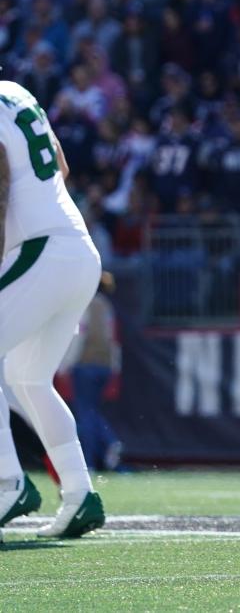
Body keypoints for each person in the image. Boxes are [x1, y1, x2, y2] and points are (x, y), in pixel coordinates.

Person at [0, 80, 106, 538]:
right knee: (27, 376)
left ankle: (8, 483)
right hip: (78, 248)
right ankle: (80, 494)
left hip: (39, 249)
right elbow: (60, 164)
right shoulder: (15, 91)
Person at [61, 271, 123, 471]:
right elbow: (112, 340)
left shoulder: (84, 304)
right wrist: (114, 366)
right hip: (104, 365)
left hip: (85, 364)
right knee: (92, 410)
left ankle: (89, 461)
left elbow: (80, 335)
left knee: (84, 413)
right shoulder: (106, 306)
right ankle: (109, 440)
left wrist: (65, 363)